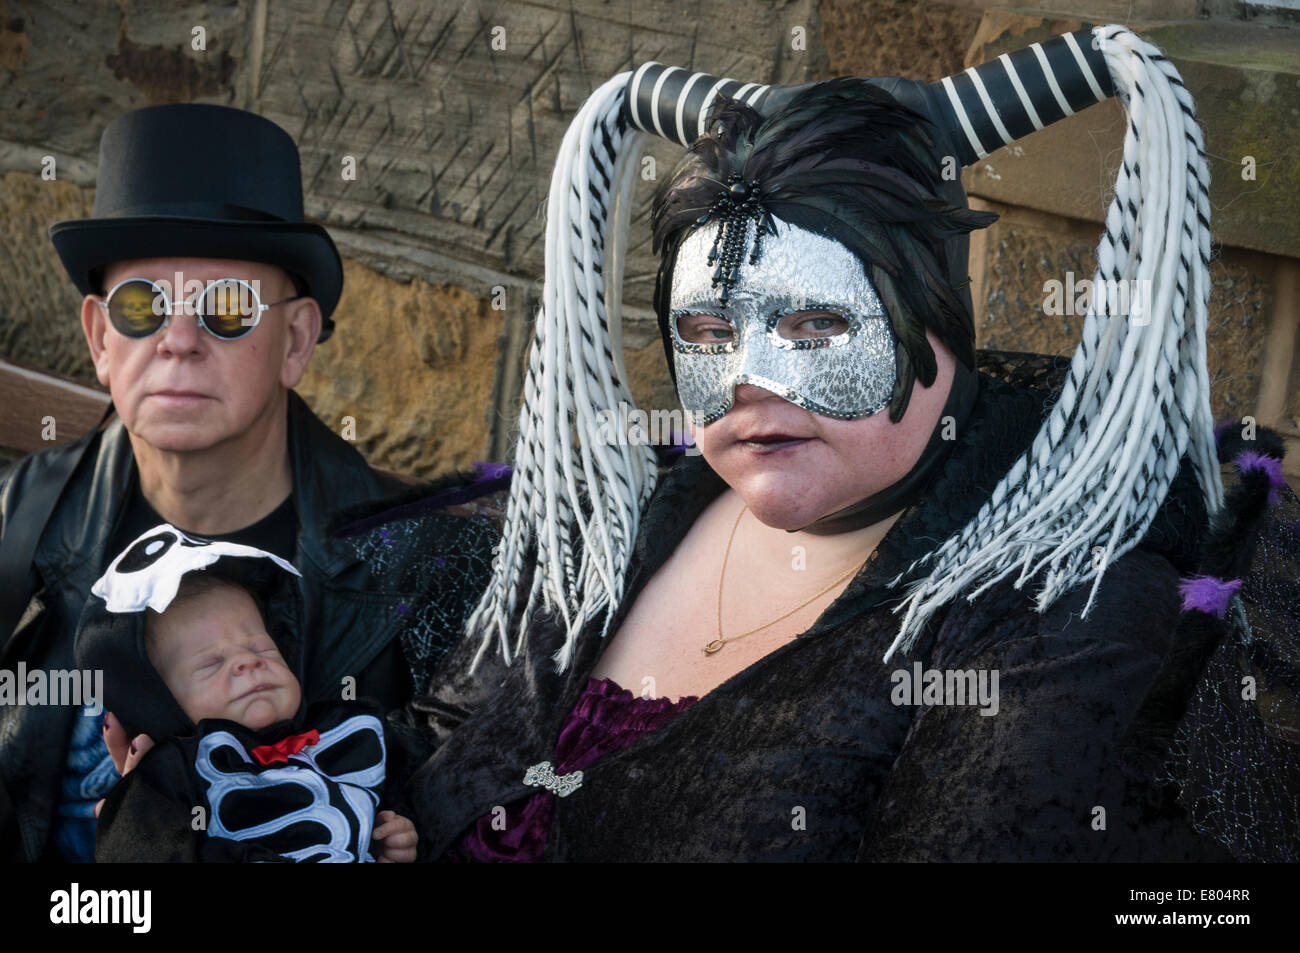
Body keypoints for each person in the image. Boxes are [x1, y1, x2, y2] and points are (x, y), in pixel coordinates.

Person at [404, 25, 1299, 861]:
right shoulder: (617, 520)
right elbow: (443, 735)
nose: (749, 379)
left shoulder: (1054, 609)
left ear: (942, 327)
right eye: (710, 333)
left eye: (813, 321)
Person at [0, 103, 497, 862]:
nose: (177, 339)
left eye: (226, 307)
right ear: (101, 339)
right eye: (143, 306)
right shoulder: (18, 523)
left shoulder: (424, 574)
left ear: (295, 340)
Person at [76, 526, 417, 862]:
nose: (248, 663)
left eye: (262, 648)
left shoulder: (344, 730)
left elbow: (395, 791)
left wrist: (390, 833)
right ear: (155, 702)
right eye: (212, 663)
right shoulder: (167, 780)